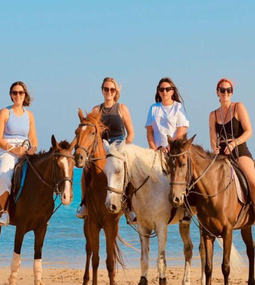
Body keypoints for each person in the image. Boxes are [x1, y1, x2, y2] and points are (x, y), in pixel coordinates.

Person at [208, 78, 255, 234]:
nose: (225, 93)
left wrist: (234, 143)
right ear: (217, 93)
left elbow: (249, 131)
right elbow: (213, 137)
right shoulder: (213, 115)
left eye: (229, 90)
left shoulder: (238, 107)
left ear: (232, 92)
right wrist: (215, 148)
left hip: (239, 150)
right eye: (222, 90)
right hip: (222, 153)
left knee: (254, 182)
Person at [75, 77, 135, 220]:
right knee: (87, 169)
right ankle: (84, 203)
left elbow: (131, 132)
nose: (109, 92)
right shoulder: (96, 110)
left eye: (112, 89)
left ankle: (130, 207)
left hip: (119, 146)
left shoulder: (121, 108)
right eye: (106, 89)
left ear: (116, 92)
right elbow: (90, 132)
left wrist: (125, 145)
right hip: (102, 146)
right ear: (102, 91)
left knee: (130, 170)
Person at [145, 77, 191, 223]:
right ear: (158, 91)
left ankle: (186, 210)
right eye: (162, 89)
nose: (165, 92)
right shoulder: (154, 108)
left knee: (182, 175)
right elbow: (150, 132)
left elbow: (182, 130)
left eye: (167, 89)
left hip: (174, 150)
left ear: (172, 91)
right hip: (156, 150)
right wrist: (155, 148)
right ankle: (137, 209)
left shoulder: (178, 107)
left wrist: (170, 147)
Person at [0, 81, 38, 226]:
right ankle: (5, 212)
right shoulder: (5, 112)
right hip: (8, 151)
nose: (18, 95)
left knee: (43, 173)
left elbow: (34, 139)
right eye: (15, 93)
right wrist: (14, 149)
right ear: (11, 95)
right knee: (3, 175)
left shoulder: (29, 115)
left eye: (21, 93)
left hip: (25, 150)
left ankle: (40, 212)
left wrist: (33, 148)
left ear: (25, 95)